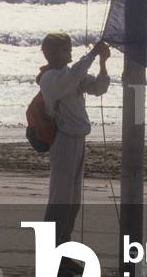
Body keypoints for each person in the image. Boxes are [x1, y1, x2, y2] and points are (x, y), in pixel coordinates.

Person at [37, 31, 110, 249]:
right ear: (55, 53)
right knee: (60, 198)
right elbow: (73, 77)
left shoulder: (70, 74)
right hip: (63, 139)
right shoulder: (51, 79)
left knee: (73, 199)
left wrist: (103, 63)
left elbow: (98, 88)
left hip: (78, 139)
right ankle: (51, 251)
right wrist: (92, 54)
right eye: (66, 48)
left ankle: (63, 246)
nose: (69, 52)